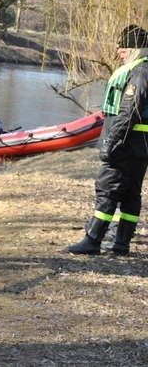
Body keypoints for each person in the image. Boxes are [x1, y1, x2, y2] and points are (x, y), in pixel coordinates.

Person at [67, 25, 148, 256]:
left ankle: (93, 240)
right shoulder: (143, 70)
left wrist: (112, 141)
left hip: (127, 142)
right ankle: (121, 244)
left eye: (122, 48)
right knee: (131, 193)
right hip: (139, 144)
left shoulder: (139, 72)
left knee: (108, 189)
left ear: (135, 49)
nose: (119, 53)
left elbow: (129, 110)